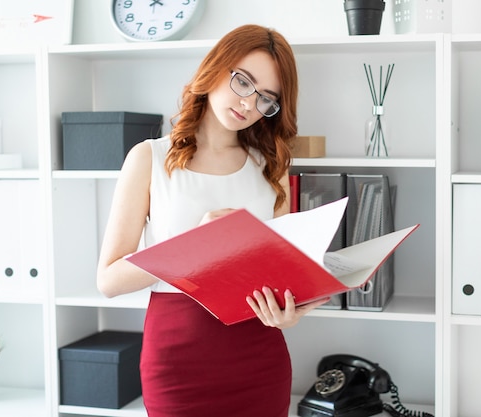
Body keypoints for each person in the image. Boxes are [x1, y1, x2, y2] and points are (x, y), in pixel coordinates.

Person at [96, 24, 328, 417]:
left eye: (265, 98)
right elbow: (108, 281)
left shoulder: (271, 167)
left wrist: (288, 312)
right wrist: (194, 247)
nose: (248, 104)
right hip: (177, 357)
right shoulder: (148, 157)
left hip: (259, 354)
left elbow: (278, 275)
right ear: (216, 67)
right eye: (243, 82)